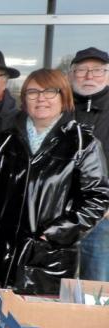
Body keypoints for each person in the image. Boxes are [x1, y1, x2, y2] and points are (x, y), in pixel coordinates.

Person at [0, 69, 109, 295]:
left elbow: (97, 198)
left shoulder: (83, 142)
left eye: (50, 92)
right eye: (33, 92)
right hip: (2, 251)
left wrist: (55, 234)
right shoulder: (7, 140)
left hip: (50, 257)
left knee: (39, 323)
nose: (41, 98)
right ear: (24, 99)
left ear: (64, 98)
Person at [69, 47, 109, 281]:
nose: (89, 76)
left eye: (97, 70)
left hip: (102, 219)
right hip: (61, 214)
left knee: (96, 285)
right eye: (82, 70)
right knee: (56, 287)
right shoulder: (61, 108)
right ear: (72, 74)